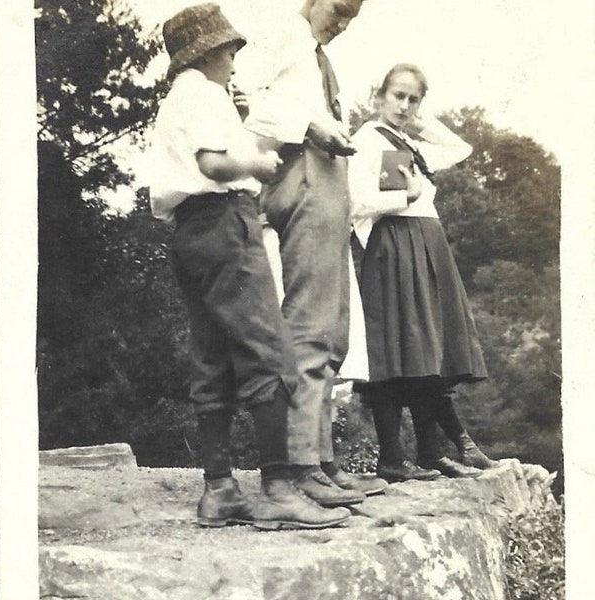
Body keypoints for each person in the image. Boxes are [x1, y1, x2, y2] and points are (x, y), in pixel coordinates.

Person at [147, 3, 352, 530]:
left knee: (212, 355)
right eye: (231, 53)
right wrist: (258, 164)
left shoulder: (179, 99)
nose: (236, 63)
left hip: (188, 231)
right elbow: (213, 164)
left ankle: (220, 490)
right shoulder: (205, 92)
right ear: (211, 52)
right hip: (226, 224)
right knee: (269, 353)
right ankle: (280, 488)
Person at [244, 0, 387, 506]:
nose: (342, 24)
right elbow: (240, 92)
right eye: (339, 9)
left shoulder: (314, 55)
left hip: (328, 181)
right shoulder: (279, 31)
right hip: (302, 172)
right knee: (309, 324)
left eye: (352, 18)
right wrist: (309, 124)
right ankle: (300, 463)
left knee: (332, 329)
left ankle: (322, 460)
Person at [348, 63, 498, 482]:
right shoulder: (371, 140)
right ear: (379, 95)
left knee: (427, 353)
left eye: (414, 99)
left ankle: (432, 453)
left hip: (424, 244)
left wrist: (418, 120)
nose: (405, 105)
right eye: (397, 95)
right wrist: (404, 195)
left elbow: (458, 148)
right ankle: (395, 458)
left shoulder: (402, 140)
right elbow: (357, 204)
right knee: (398, 356)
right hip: (396, 246)